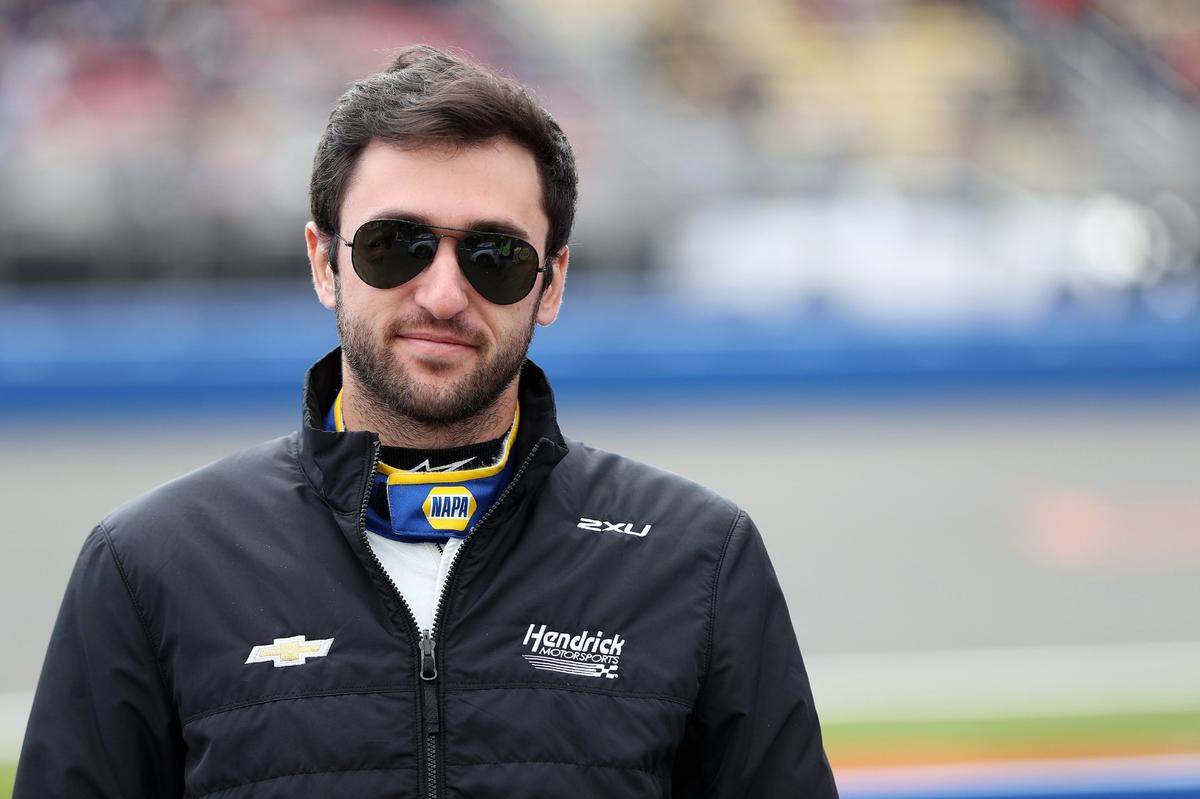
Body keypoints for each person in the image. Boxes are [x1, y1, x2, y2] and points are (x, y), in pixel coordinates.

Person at [15, 45, 838, 798]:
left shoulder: (696, 559)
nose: (443, 295)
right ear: (323, 262)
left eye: (495, 257)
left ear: (551, 285)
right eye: (394, 245)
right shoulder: (149, 564)